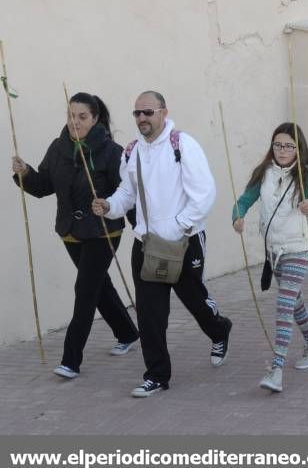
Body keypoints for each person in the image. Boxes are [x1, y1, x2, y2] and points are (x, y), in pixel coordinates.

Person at [91, 91, 231, 398]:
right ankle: (156, 375)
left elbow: (204, 193)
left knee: (195, 301)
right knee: (150, 314)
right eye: (137, 113)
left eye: (148, 112)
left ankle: (220, 331)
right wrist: (109, 206)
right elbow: (126, 194)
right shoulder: (131, 152)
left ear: (163, 113)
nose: (142, 118)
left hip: (184, 242)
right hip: (146, 244)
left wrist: (179, 225)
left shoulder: (182, 145)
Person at [11, 93, 139, 380]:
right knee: (98, 286)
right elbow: (43, 185)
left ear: (95, 118)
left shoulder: (111, 151)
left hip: (104, 230)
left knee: (85, 291)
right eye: (71, 115)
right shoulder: (58, 148)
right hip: (70, 231)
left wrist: (132, 222)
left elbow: (126, 194)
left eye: (82, 117)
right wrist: (25, 172)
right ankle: (128, 332)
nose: (75, 122)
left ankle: (71, 360)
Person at [231, 123, 308, 393]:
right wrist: (237, 216)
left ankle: (277, 368)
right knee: (293, 301)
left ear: (299, 149)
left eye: (289, 146)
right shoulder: (263, 174)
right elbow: (244, 200)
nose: (283, 150)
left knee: (284, 304)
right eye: (278, 145)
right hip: (274, 250)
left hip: (298, 248)